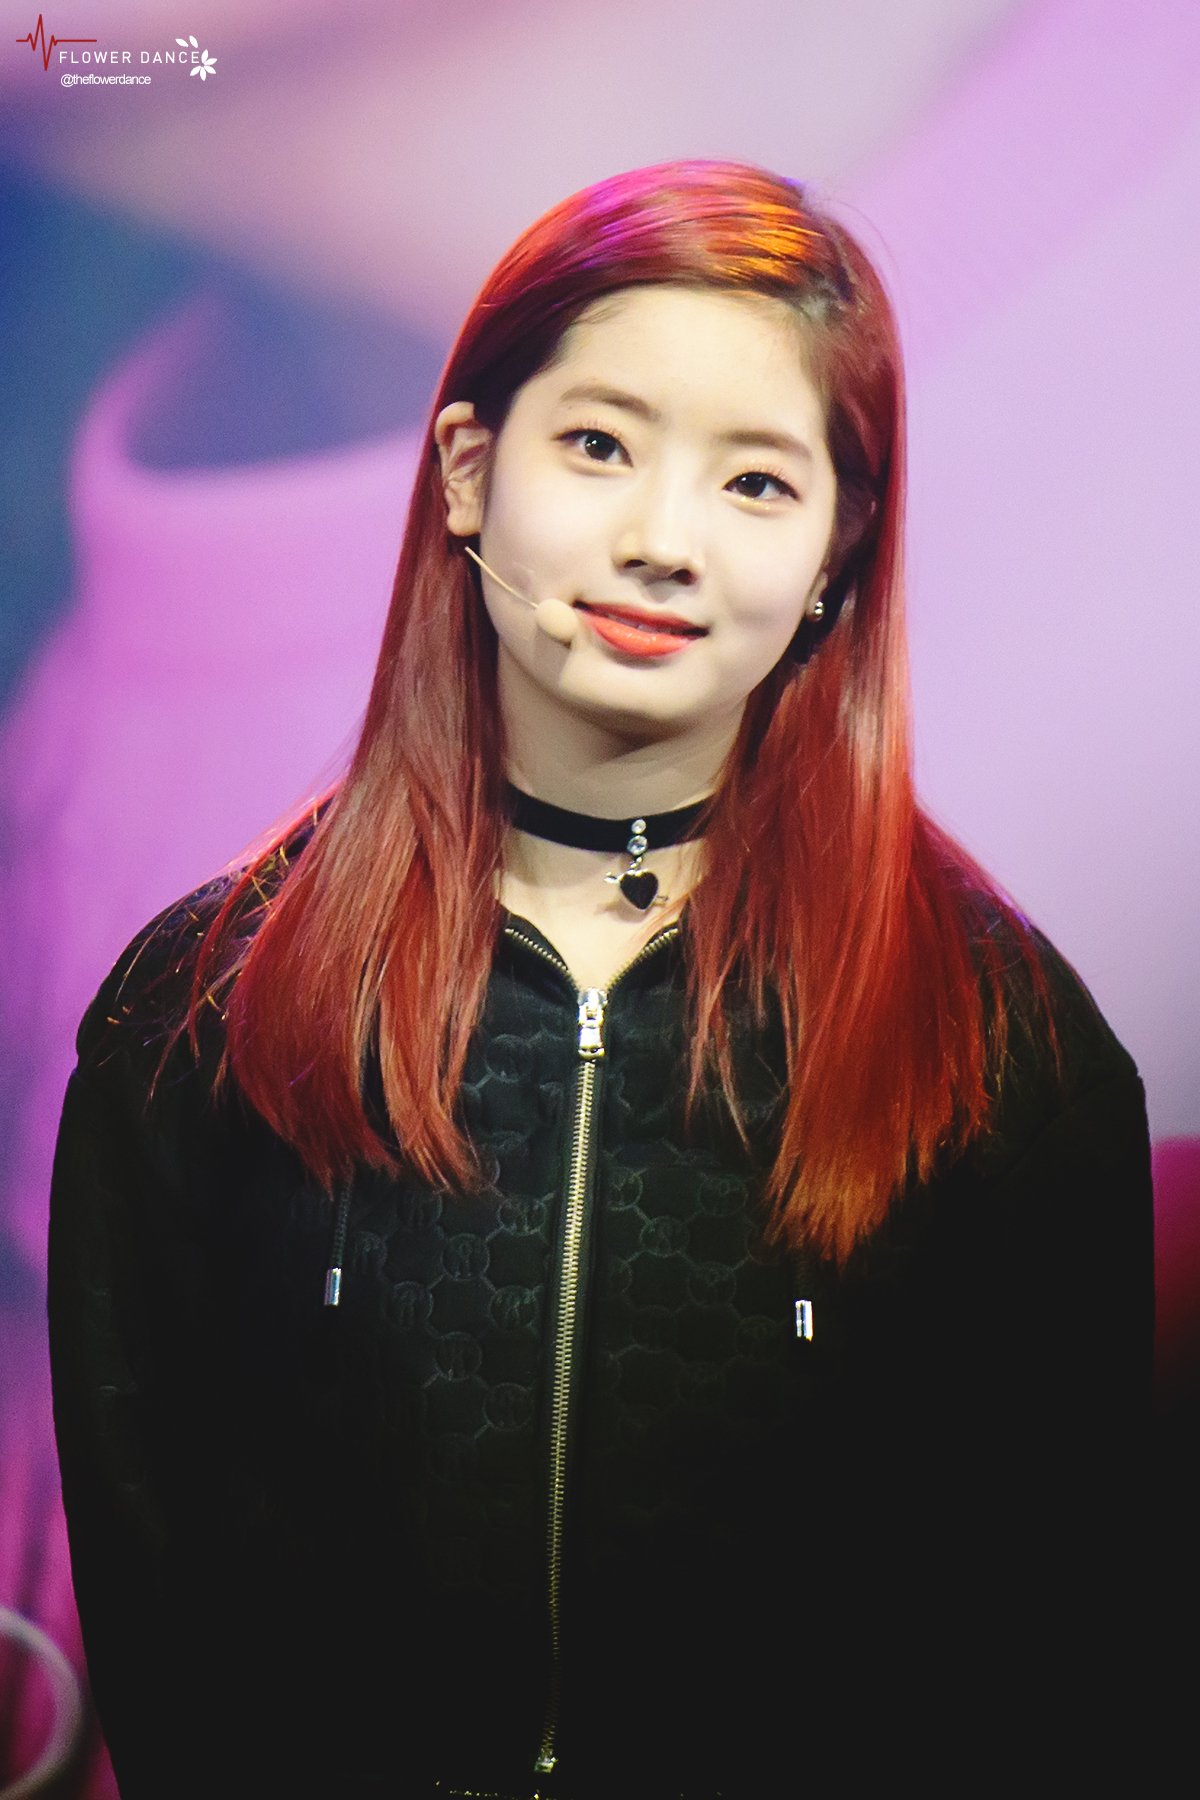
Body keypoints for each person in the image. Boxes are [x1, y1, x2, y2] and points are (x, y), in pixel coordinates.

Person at [48, 160, 1154, 1800]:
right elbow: (168, 1622)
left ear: (839, 548)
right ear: (469, 472)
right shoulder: (204, 1010)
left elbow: (1059, 1644)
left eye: (756, 482)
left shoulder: (1001, 1044)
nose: (661, 542)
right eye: (599, 447)